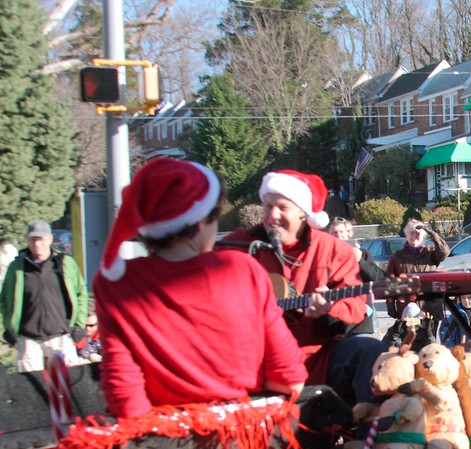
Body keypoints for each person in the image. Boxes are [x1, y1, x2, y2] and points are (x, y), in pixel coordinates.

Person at [93, 158, 306, 418]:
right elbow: (289, 381)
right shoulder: (241, 270)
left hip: (159, 448)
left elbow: (125, 399)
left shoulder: (114, 283)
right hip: (240, 441)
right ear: (202, 221)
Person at [224, 170, 385, 407]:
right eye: (267, 207)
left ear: (304, 215)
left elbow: (355, 308)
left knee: (370, 351)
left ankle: (370, 439)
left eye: (282, 208)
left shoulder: (332, 250)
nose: (272, 216)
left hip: (314, 358)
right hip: (248, 360)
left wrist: (329, 311)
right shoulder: (240, 244)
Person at [1, 220, 87, 372]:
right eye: (33, 239)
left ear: (50, 239)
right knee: (29, 390)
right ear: (28, 240)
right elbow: (4, 299)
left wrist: (79, 324)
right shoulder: (17, 267)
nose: (37, 244)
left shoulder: (64, 263)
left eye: (41, 239)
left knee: (69, 387)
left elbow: (81, 293)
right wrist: (10, 326)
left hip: (60, 337)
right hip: (29, 340)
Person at [385, 218, 450, 320]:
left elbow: (444, 252)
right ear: (406, 235)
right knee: (413, 334)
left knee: (429, 335)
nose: (415, 236)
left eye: (418, 233)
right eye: (411, 233)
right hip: (408, 308)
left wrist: (433, 234)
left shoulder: (430, 253)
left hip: (430, 308)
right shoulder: (397, 256)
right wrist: (391, 307)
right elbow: (390, 283)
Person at [330, 216, 384, 282]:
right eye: (335, 232)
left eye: (341, 231)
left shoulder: (362, 253)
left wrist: (360, 261)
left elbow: (379, 278)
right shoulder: (322, 256)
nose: (338, 235)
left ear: (347, 234)